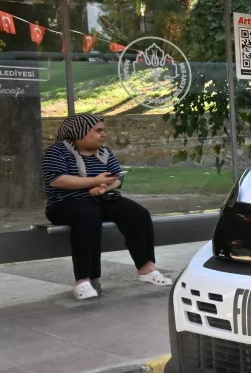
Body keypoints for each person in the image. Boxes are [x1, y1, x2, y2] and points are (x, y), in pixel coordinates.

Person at [42, 114, 173, 300]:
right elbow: (57, 180)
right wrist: (94, 181)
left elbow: (117, 178)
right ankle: (83, 280)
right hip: (65, 203)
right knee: (88, 216)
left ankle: (146, 268)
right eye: (98, 130)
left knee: (138, 213)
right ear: (79, 131)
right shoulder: (57, 152)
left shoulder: (104, 152)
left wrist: (105, 187)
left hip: (101, 200)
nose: (103, 134)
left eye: (103, 130)